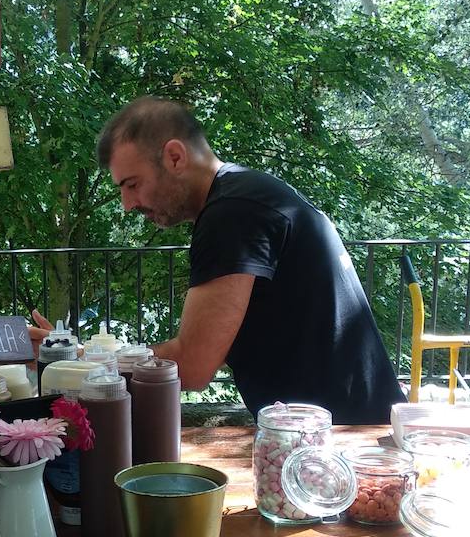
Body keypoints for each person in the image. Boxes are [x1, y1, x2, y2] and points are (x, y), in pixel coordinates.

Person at [92, 96, 404, 424]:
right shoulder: (248, 195)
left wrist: (86, 363)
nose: (128, 204)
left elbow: (192, 366)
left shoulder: (233, 214)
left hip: (343, 444)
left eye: (132, 184)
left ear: (174, 157)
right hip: (345, 430)